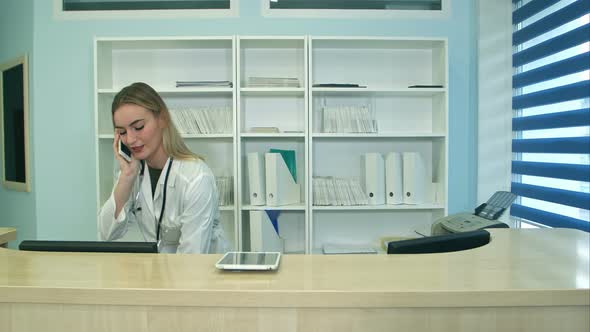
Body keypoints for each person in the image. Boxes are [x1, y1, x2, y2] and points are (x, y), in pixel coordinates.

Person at [98, 82, 228, 254]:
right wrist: (127, 176)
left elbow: (192, 256)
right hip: (161, 274)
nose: (129, 139)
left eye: (138, 127)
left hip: (201, 276)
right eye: (121, 132)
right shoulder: (132, 171)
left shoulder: (196, 178)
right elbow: (106, 233)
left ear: (163, 119)